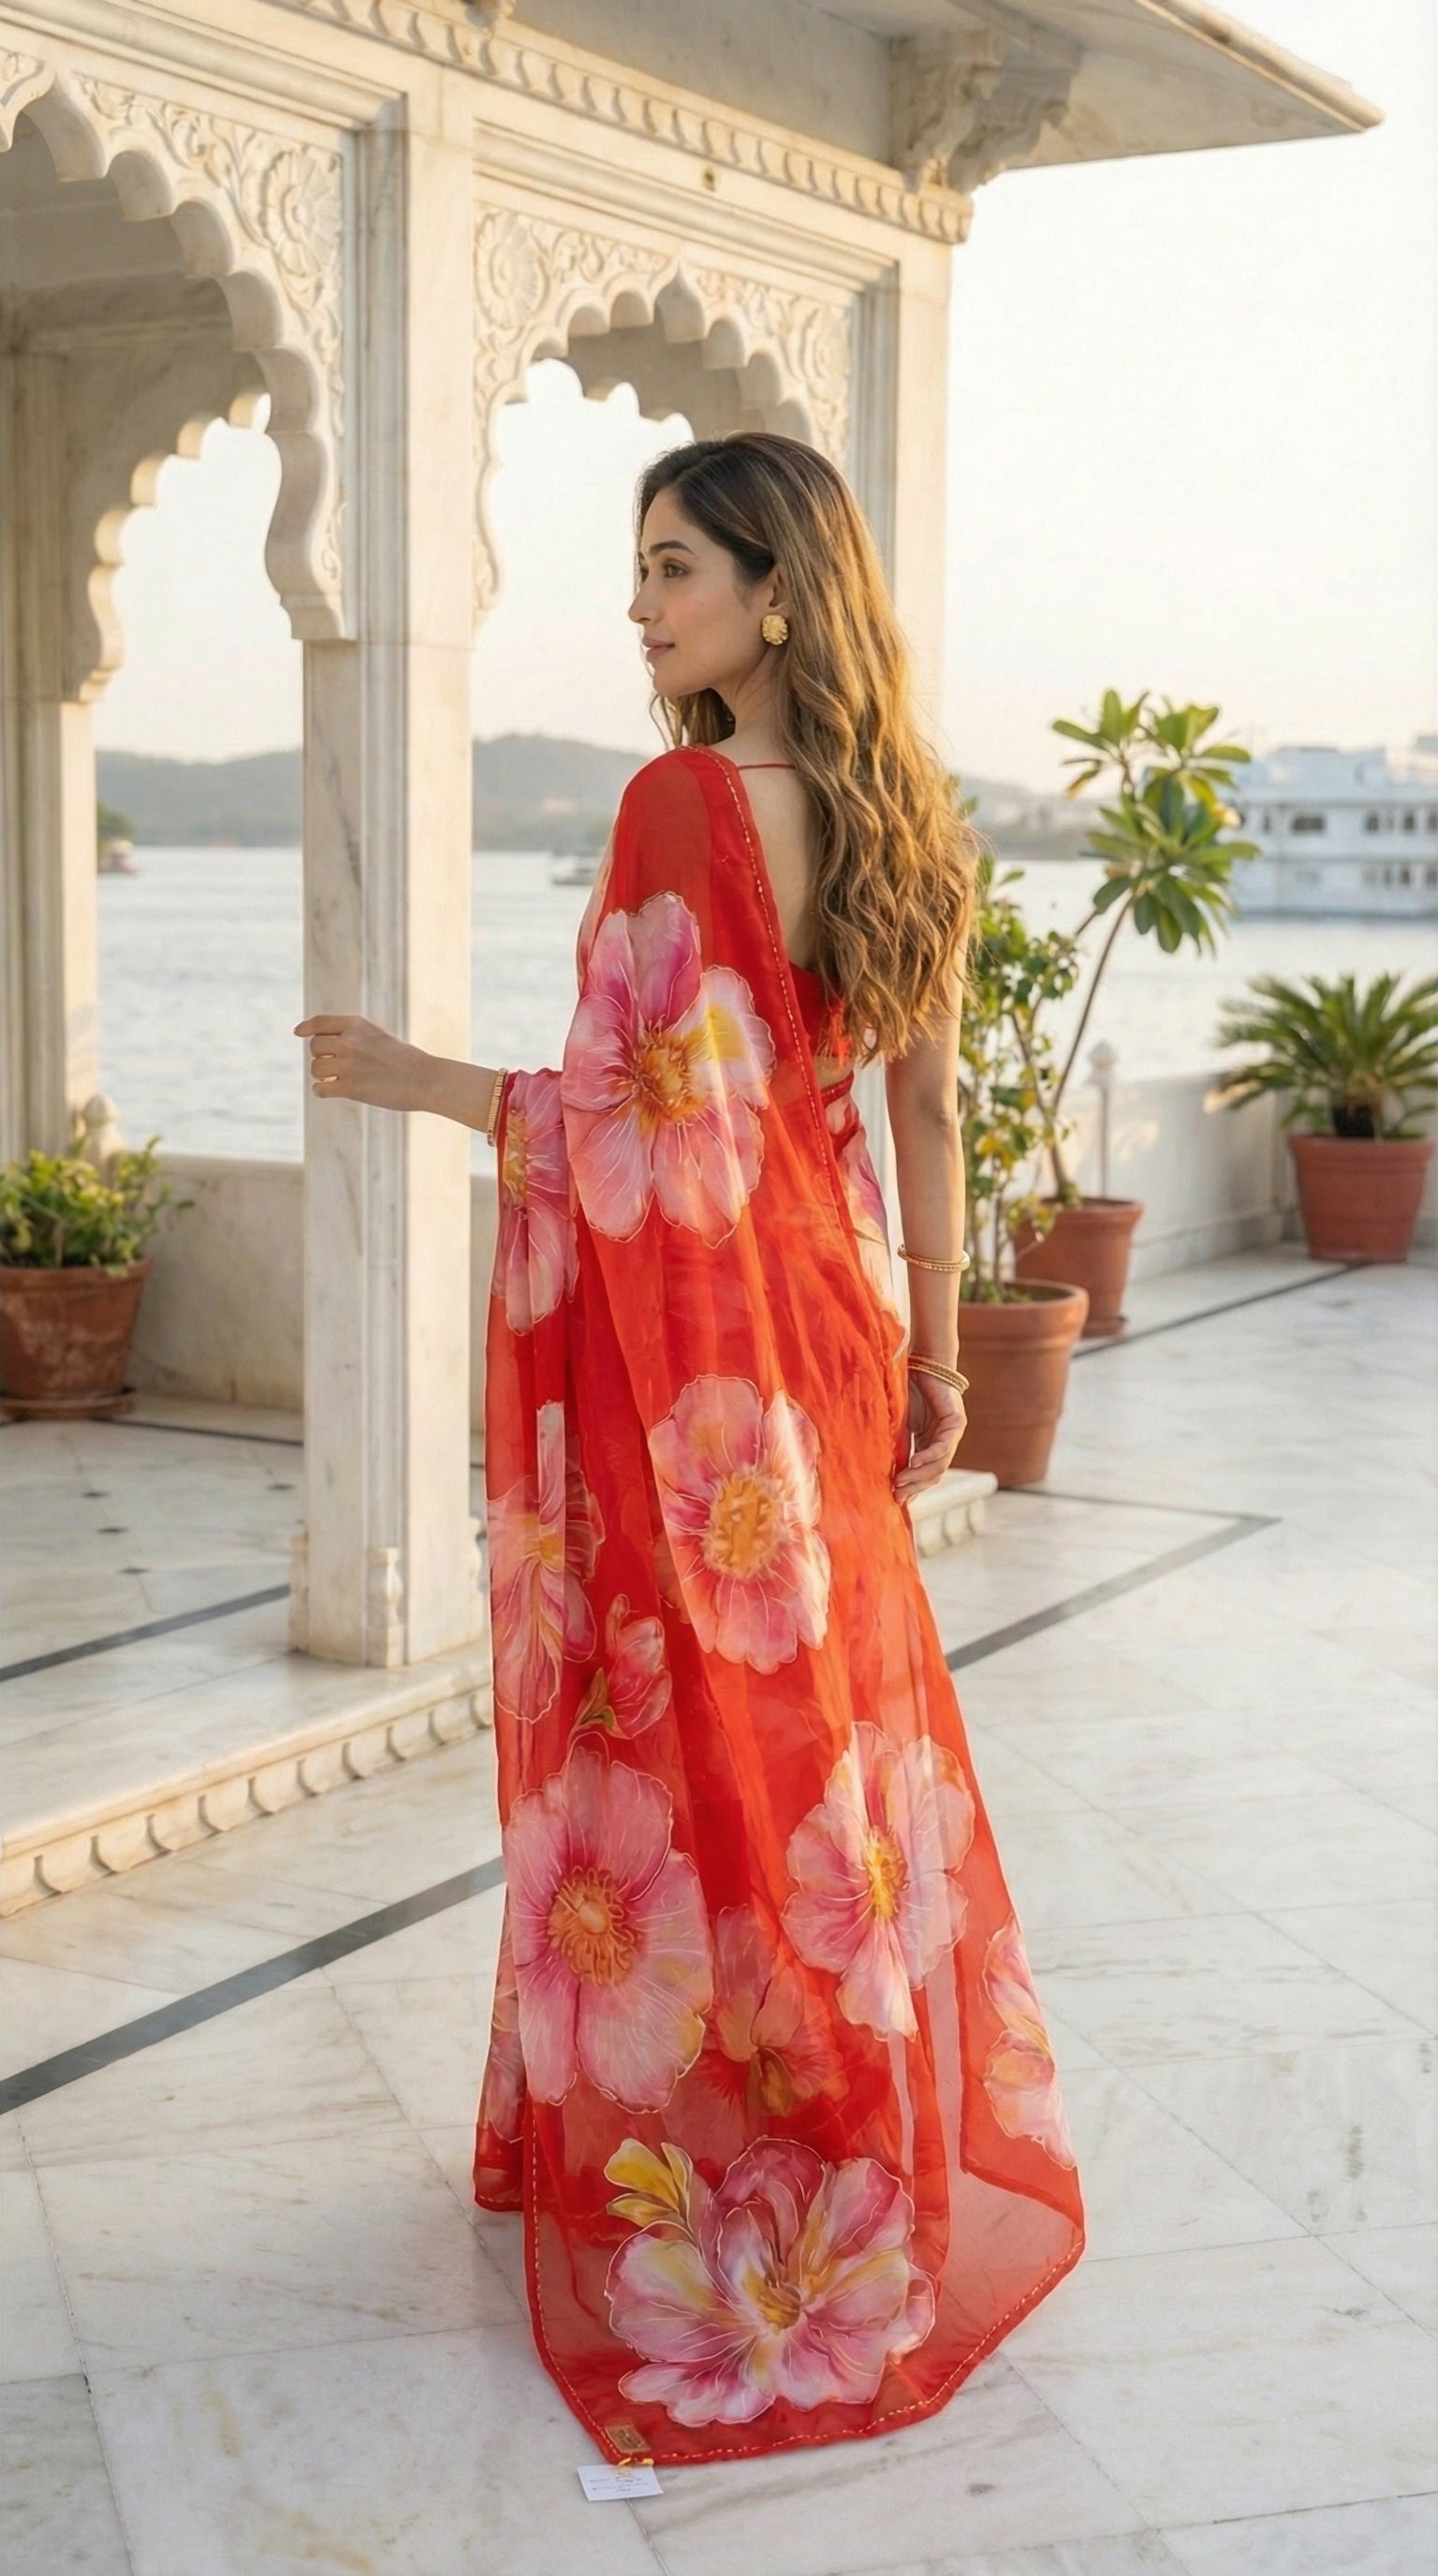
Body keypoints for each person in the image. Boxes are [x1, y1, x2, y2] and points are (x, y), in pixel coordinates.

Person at [297, 432, 1083, 2471]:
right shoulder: (918, 818)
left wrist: (408, 1076)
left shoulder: (678, 800)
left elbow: (627, 1122)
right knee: (819, 1740)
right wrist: (917, 1337)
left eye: (673, 567)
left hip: (697, 1372)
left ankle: (702, 2153)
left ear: (774, 591)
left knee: (679, 1746)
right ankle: (840, 2129)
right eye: (639, 568)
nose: (643, 606)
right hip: (828, 1334)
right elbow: (921, 1114)